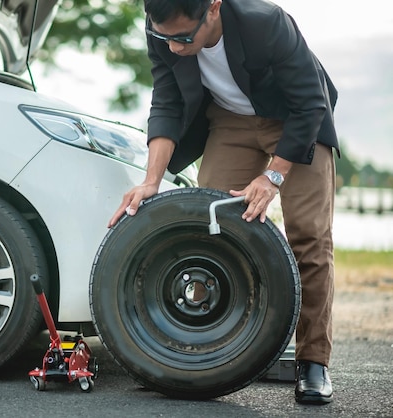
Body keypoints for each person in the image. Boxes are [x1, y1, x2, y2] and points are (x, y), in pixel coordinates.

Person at [109, 0, 338, 405]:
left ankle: (313, 362)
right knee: (208, 229)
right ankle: (199, 356)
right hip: (229, 120)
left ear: (213, 8)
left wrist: (273, 176)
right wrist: (151, 181)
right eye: (166, 38)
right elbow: (167, 101)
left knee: (309, 238)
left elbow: (311, 102)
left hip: (295, 120)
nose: (174, 48)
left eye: (183, 38)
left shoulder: (265, 22)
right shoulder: (161, 27)